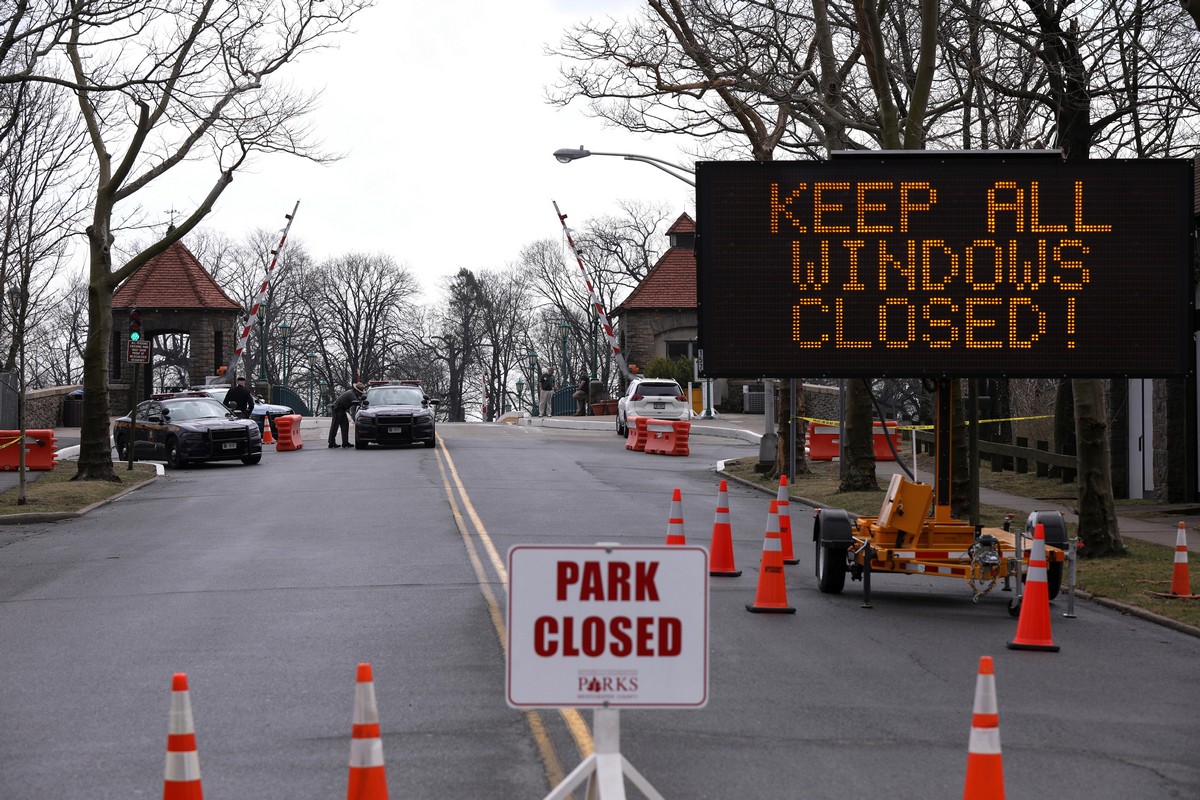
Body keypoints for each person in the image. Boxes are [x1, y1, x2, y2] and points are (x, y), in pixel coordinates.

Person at [328, 382, 366, 448]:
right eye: (360, 392)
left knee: (345, 425)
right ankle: (331, 442)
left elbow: (356, 400)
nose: (360, 394)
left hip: (342, 410)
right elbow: (355, 402)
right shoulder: (351, 394)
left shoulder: (352, 393)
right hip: (338, 409)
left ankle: (345, 442)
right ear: (356, 391)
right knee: (335, 426)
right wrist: (361, 403)